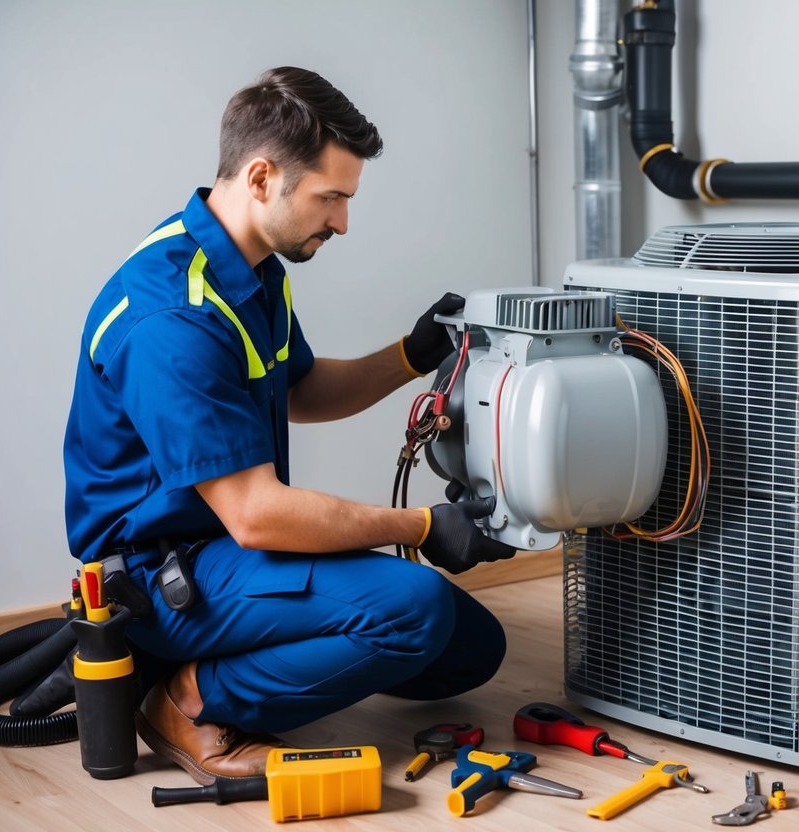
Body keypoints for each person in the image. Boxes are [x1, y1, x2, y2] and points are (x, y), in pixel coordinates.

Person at [62, 66, 517, 786]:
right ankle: (189, 702)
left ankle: (229, 665)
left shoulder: (249, 267)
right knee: (417, 610)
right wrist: (424, 528)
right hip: (162, 579)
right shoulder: (172, 319)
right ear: (263, 176)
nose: (341, 221)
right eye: (330, 198)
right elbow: (256, 515)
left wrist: (409, 354)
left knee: (469, 651)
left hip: (225, 550)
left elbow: (299, 388)